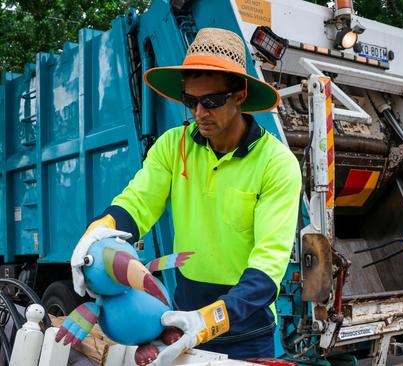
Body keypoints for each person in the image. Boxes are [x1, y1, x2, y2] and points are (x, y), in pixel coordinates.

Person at [69, 28, 302, 363]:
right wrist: (97, 234)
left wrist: (208, 320)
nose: (199, 113)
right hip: (181, 322)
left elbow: (269, 264)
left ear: (239, 96)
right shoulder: (172, 146)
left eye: (211, 101)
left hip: (246, 329)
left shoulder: (276, 164)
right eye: (190, 101)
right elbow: (137, 203)